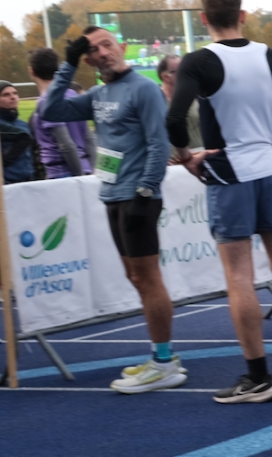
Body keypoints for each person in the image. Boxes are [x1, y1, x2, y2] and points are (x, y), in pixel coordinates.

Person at [165, 0, 272, 402]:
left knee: (239, 277)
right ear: (243, 15)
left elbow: (174, 119)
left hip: (229, 171)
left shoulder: (199, 61)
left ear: (203, 18)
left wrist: (187, 158)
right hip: (270, 169)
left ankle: (258, 376)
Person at [43, 28, 182, 392]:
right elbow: (50, 110)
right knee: (135, 277)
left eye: (108, 44)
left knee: (148, 278)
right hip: (112, 194)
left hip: (138, 196)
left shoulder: (144, 88)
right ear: (88, 60)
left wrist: (145, 191)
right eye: (93, 49)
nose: (103, 52)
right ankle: (162, 354)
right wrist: (67, 65)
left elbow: (159, 143)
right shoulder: (97, 94)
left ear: (121, 46)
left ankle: (164, 364)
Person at [28, 48, 92, 178]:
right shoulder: (72, 94)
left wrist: (79, 177)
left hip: (63, 173)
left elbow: (66, 144)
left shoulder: (46, 101)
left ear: (31, 71)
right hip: (85, 167)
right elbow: (89, 137)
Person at [0, 85, 35, 183]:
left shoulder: (22, 124)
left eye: (15, 93)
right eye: (6, 95)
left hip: (29, 180)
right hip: (6, 183)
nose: (13, 97)